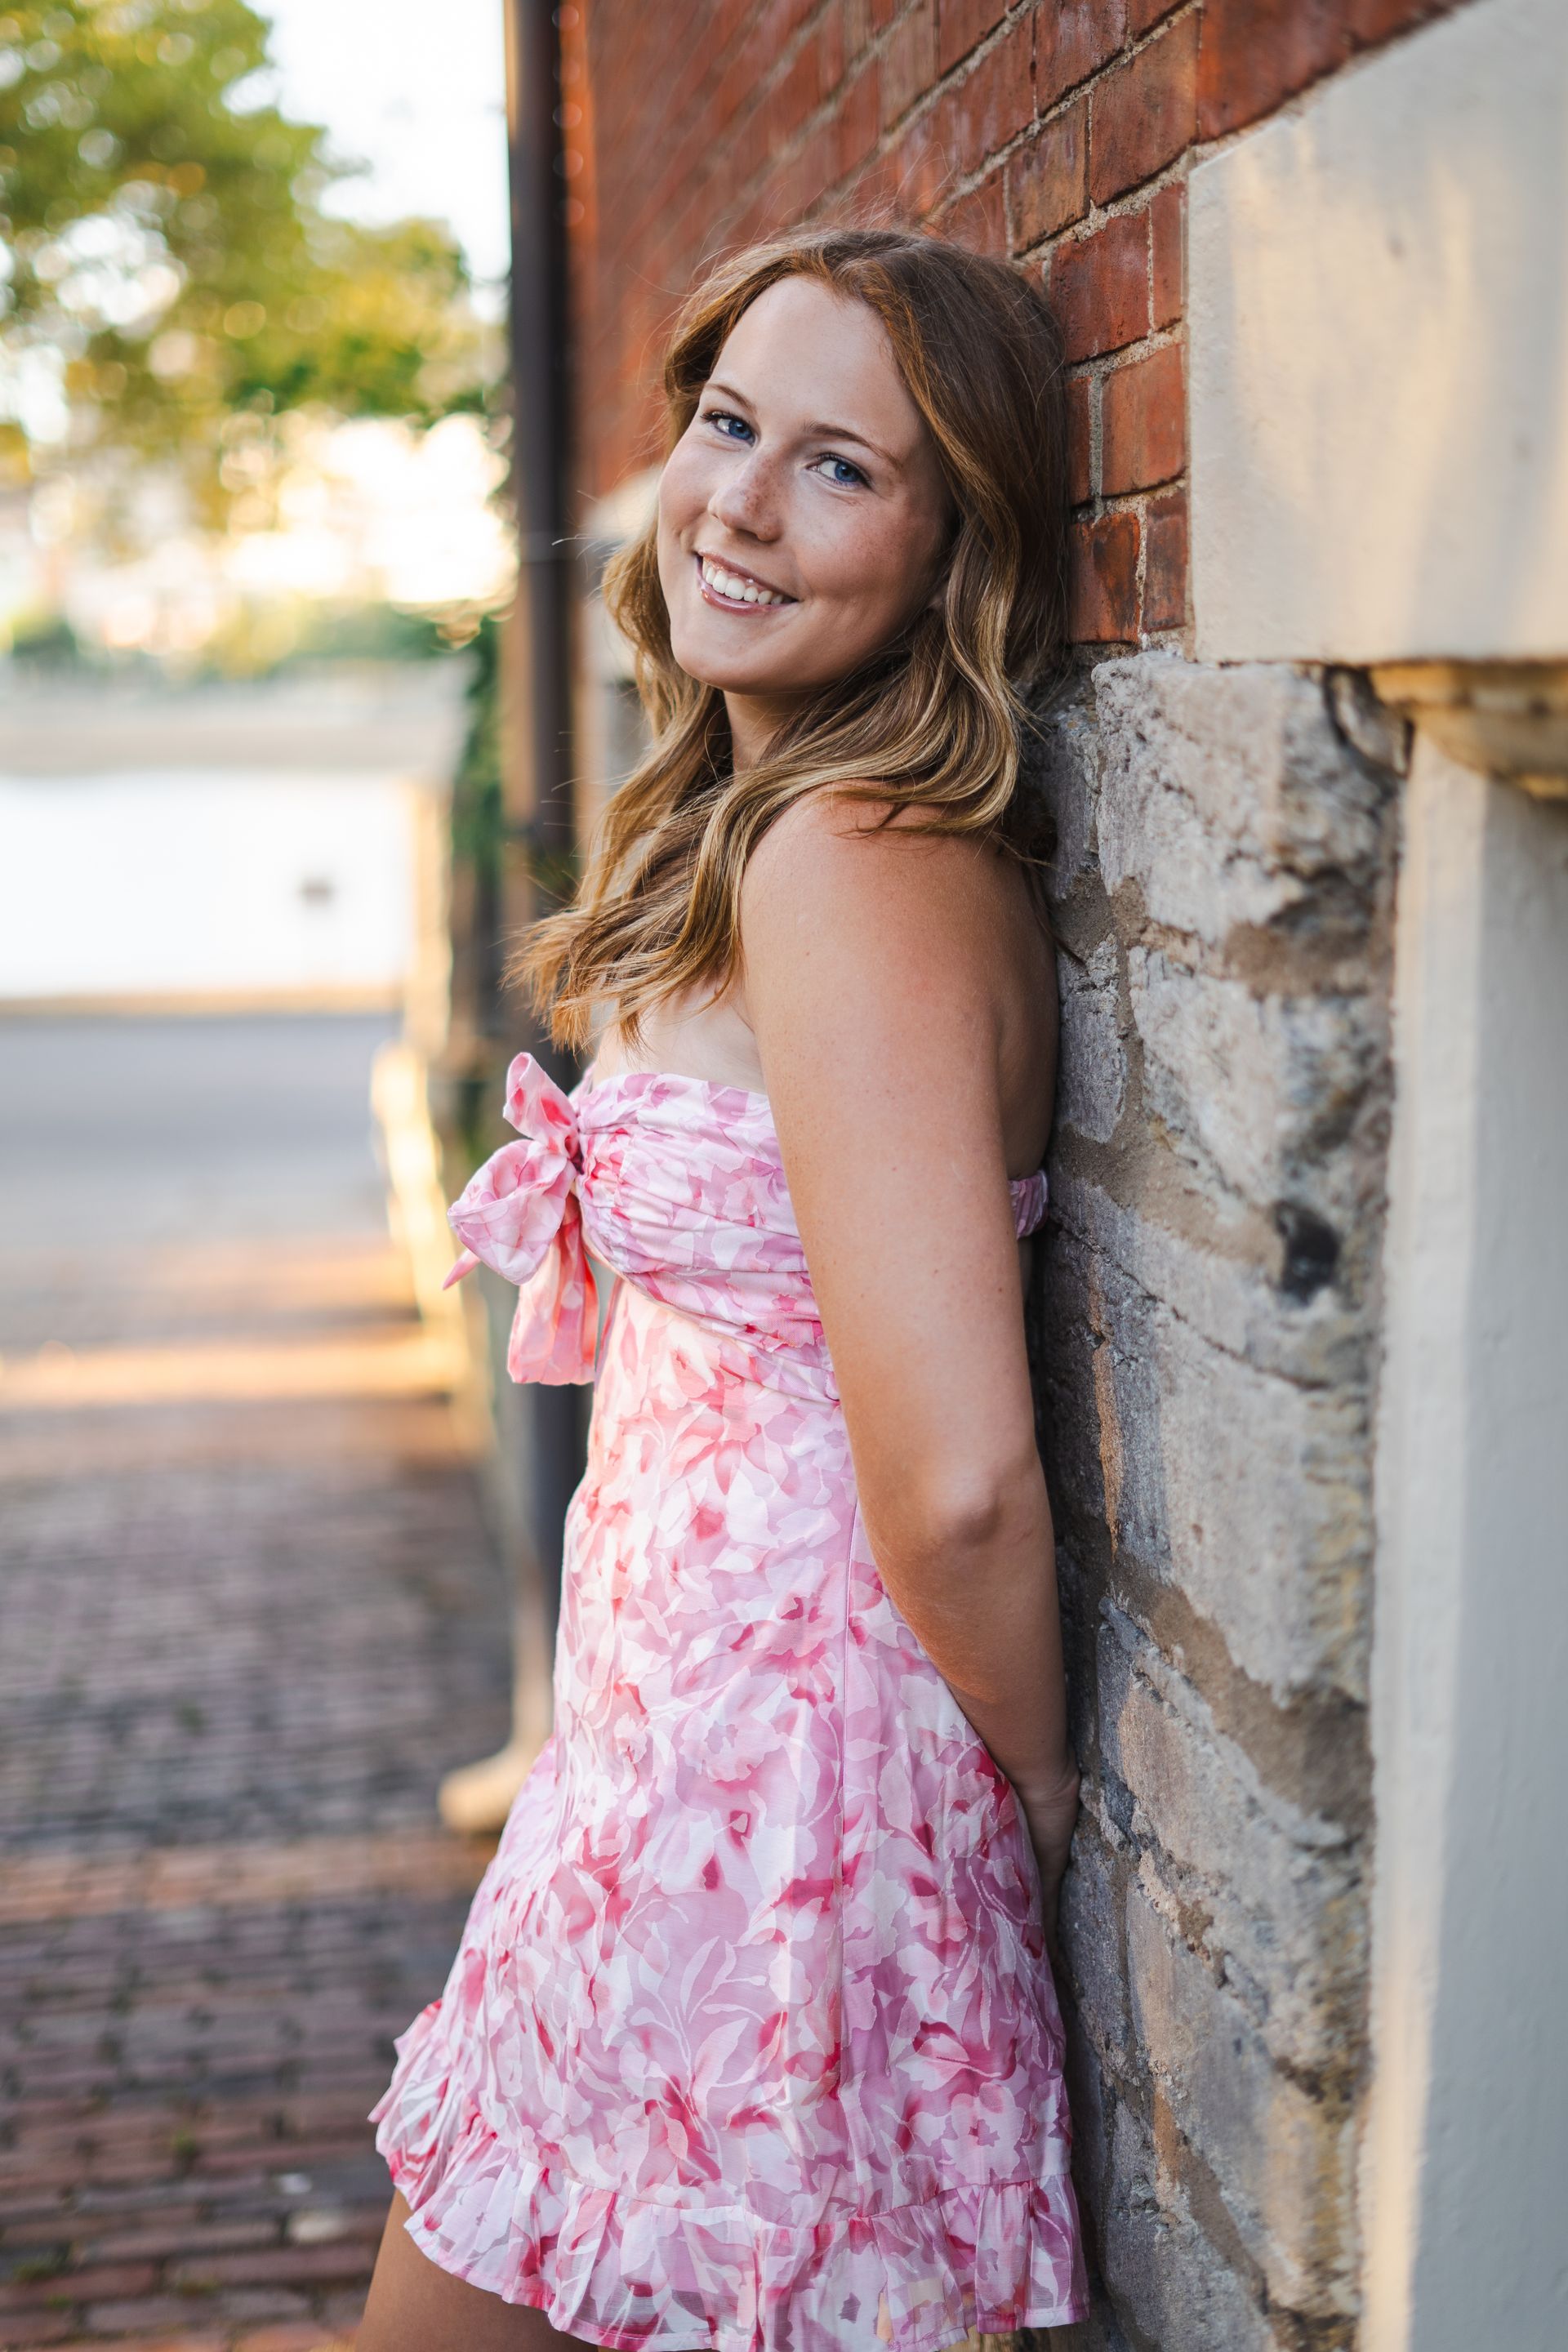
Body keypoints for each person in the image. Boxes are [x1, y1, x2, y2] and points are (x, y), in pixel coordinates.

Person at [359, 224, 1088, 2352]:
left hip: (774, 1814)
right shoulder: (778, 822)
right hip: (663, 1772)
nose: (740, 503)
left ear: (961, 548)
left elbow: (957, 1478)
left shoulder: (850, 859)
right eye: (726, 424)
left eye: (842, 468)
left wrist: (1028, 1807)